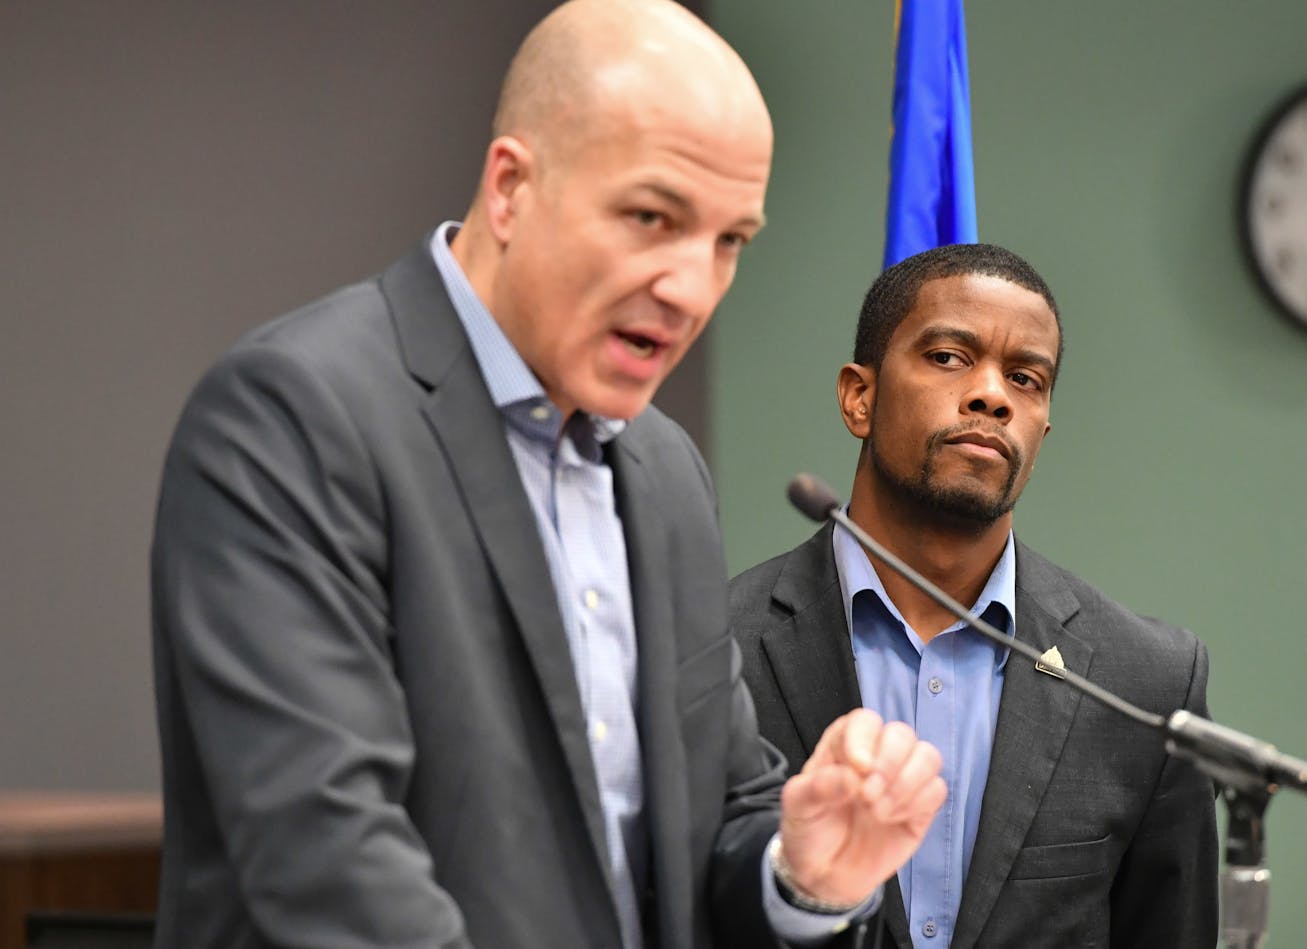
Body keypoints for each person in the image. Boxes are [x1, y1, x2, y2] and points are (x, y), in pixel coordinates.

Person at [149, 2, 948, 947]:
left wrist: (803, 875)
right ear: (510, 188)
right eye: (653, 217)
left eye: (730, 240)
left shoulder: (661, 469)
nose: (693, 286)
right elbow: (330, 867)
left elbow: (717, 815)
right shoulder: (294, 415)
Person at [729, 244, 1219, 948]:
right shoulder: (717, 648)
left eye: (1026, 377)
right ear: (858, 396)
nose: (992, 395)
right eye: (949, 357)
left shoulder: (1144, 681)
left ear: (1042, 425)